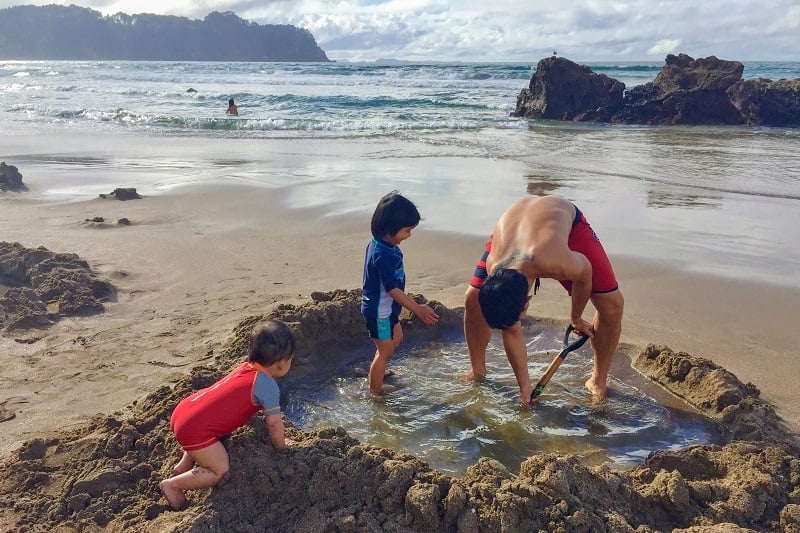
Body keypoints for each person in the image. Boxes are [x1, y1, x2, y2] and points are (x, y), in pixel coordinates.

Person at [463, 195, 624, 406]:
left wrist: (576, 317)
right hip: (513, 231)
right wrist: (525, 388)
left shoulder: (556, 261)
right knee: (472, 299)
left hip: (562, 219)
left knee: (612, 305)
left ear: (527, 299)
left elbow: (585, 274)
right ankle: (478, 371)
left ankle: (597, 380)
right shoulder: (495, 268)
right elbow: (510, 328)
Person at [159, 320, 296, 508]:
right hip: (193, 429)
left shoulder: (244, 368)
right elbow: (273, 423)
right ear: (282, 363)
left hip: (185, 410)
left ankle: (183, 465)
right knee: (220, 470)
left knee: (211, 426)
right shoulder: (268, 386)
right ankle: (173, 485)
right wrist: (281, 445)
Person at [361, 191, 439, 396]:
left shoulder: (383, 243)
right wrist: (418, 309)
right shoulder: (382, 254)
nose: (409, 235)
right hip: (379, 312)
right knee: (385, 351)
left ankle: (379, 367)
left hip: (388, 309)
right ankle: (375, 392)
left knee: (396, 339)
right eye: (406, 230)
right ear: (389, 229)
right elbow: (392, 289)